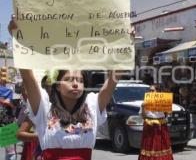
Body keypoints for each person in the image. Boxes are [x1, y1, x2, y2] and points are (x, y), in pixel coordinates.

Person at [8, 20, 121, 160]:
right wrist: (17, 38)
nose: (76, 84)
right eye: (69, 79)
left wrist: (125, 47)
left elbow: (112, 82)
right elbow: (28, 77)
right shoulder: (44, 108)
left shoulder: (91, 107)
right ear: (57, 85)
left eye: (80, 80)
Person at [138, 85, 173, 160]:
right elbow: (144, 117)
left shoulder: (163, 100)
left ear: (157, 91)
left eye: (152, 90)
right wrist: (143, 107)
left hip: (161, 126)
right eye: (150, 90)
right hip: (149, 126)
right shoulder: (145, 102)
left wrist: (166, 106)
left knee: (161, 145)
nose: (151, 92)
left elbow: (167, 114)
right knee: (149, 146)